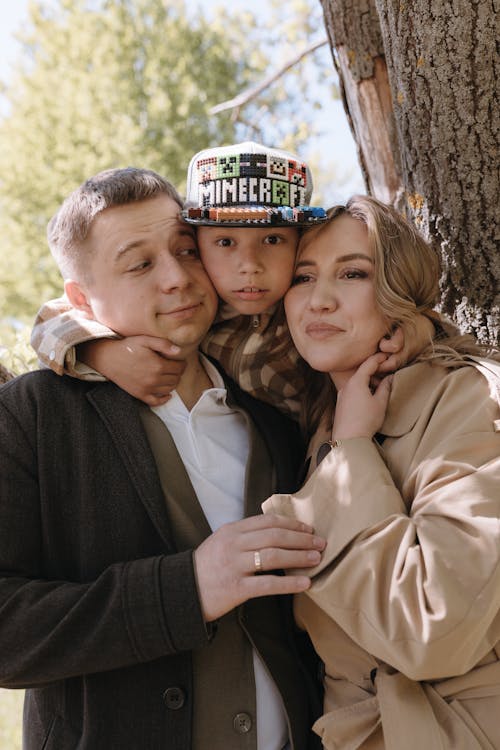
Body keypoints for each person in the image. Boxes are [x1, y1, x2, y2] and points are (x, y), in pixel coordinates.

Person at [0, 167, 328, 750]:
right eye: (140, 263)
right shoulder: (29, 417)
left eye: (185, 249)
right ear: (81, 299)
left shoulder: (277, 407)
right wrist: (187, 589)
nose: (178, 277)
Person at [262, 195, 500, 749]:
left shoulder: (468, 399)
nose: (318, 300)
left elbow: (432, 626)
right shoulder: (310, 415)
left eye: (353, 273)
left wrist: (353, 450)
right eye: (302, 277)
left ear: (399, 292)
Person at [31, 142, 409, 417]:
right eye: (225, 242)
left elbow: (385, 307)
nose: (249, 266)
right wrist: (100, 353)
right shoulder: (199, 308)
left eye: (273, 240)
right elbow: (54, 318)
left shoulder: (307, 303)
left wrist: (415, 331)